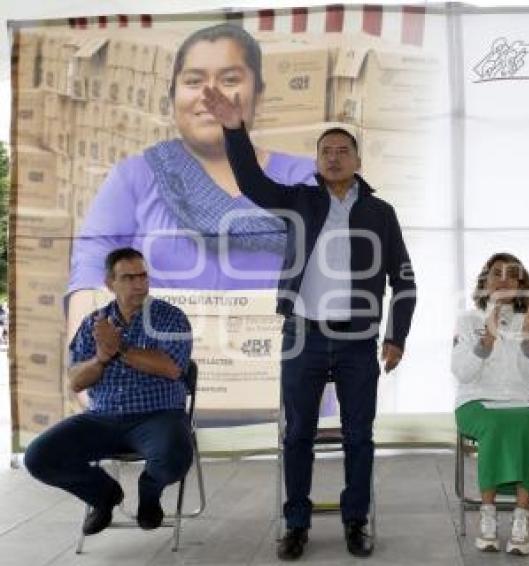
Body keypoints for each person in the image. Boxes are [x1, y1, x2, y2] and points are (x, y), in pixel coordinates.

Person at [201, 84, 416, 560]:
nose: (335, 158)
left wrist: (395, 336)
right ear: (317, 161)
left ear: (358, 161)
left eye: (343, 151)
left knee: (360, 437)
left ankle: (355, 520)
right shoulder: (299, 201)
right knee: (297, 435)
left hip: (360, 342)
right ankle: (295, 522)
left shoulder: (381, 213)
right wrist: (235, 130)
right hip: (303, 337)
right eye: (326, 152)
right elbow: (253, 184)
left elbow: (404, 280)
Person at [68, 23, 316, 325]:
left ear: (259, 94)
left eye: (230, 79)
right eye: (194, 81)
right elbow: (92, 264)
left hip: (278, 364)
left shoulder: (305, 178)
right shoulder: (135, 178)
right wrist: (88, 348)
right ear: (173, 96)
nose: (210, 94)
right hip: (159, 360)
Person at [24, 248, 194, 534]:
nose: (139, 284)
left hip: (158, 416)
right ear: (110, 283)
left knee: (174, 456)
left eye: (142, 276)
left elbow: (172, 368)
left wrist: (119, 349)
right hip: (101, 418)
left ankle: (149, 493)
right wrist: (101, 358)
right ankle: (103, 495)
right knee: (39, 458)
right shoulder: (94, 323)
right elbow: (77, 380)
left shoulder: (170, 318)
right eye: (128, 277)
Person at [451, 252, 529, 556]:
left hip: (523, 401)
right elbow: (461, 371)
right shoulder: (468, 320)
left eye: (513, 274)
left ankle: (522, 519)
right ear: (485, 281)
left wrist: (528, 339)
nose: (504, 279)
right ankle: (488, 515)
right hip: (477, 403)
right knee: (497, 424)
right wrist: (487, 340)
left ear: (521, 283)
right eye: (497, 273)